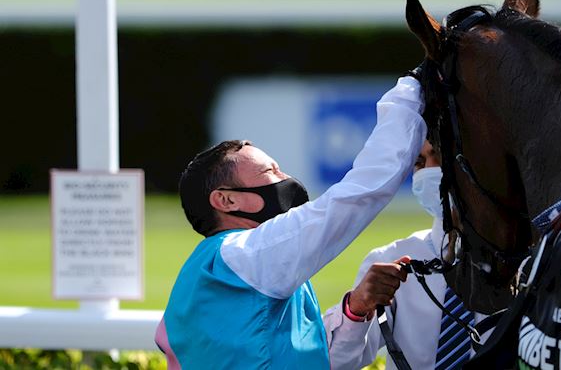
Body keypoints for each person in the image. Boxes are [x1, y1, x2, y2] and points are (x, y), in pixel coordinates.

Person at [154, 75, 425, 369]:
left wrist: (354, 310)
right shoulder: (246, 254)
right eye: (270, 171)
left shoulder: (225, 269)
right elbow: (364, 189)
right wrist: (412, 90)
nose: (286, 180)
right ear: (227, 200)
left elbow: (311, 360)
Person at [323, 140, 487, 370]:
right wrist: (357, 306)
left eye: (439, 155)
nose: (429, 170)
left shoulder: (527, 261)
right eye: (419, 163)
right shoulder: (391, 257)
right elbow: (332, 362)